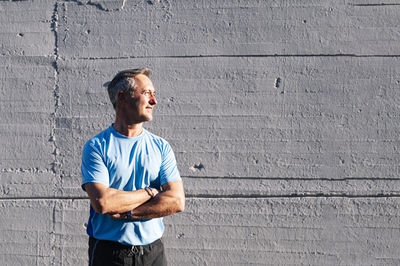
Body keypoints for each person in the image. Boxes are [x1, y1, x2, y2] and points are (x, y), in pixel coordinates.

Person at [81, 68, 185, 266]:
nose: (154, 101)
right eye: (147, 93)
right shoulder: (97, 146)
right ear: (122, 97)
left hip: (153, 252)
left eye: (154, 94)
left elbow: (177, 201)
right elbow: (103, 202)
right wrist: (151, 192)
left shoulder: (160, 146)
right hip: (109, 253)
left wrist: (128, 213)